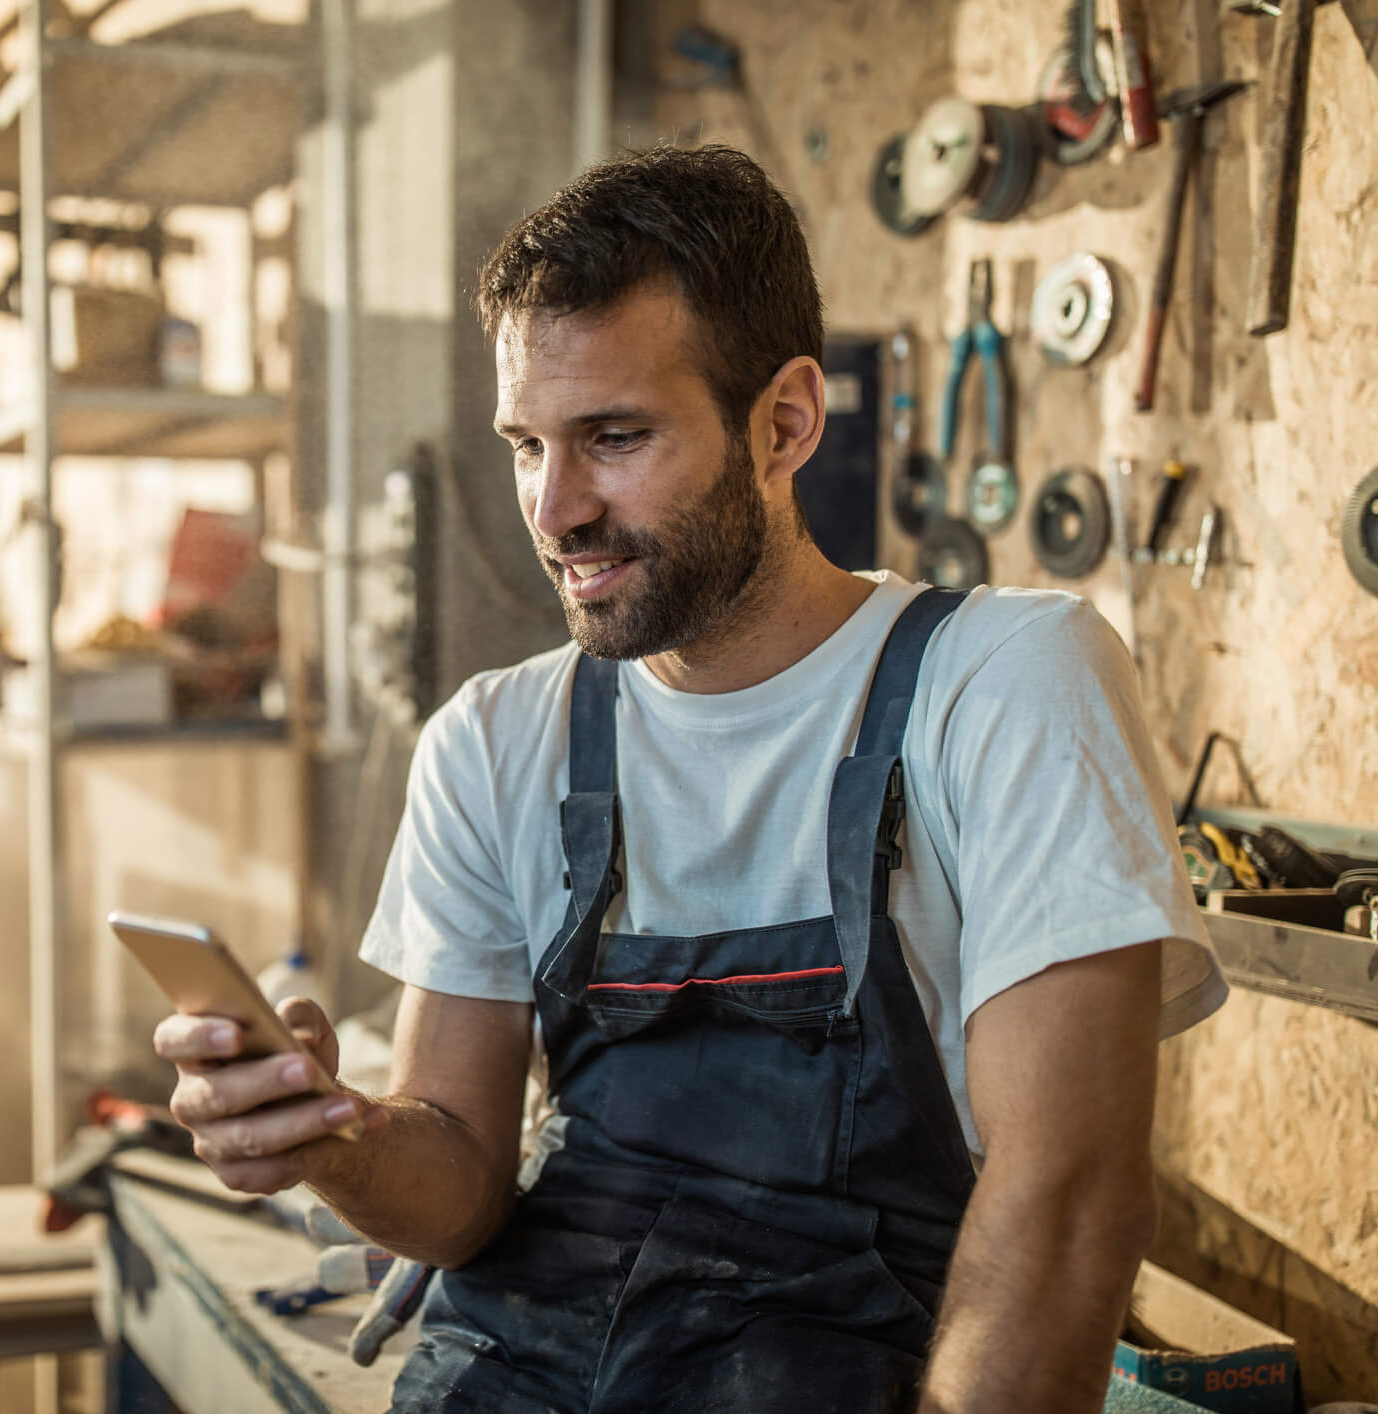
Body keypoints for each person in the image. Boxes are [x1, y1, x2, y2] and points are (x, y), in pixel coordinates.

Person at [153, 145, 1225, 1413]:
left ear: (784, 424)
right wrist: (331, 1135)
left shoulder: (1002, 683)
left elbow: (1068, 1199)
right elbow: (455, 1189)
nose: (554, 510)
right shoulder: (494, 741)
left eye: (613, 438)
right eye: (526, 445)